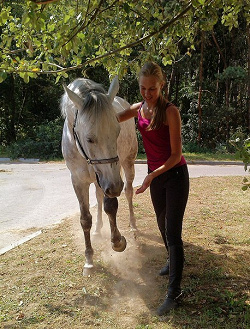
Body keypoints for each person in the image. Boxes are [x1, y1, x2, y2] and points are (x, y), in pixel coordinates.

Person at [117, 62, 189, 315]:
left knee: (172, 231)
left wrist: (150, 177)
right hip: (156, 178)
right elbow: (111, 117)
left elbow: (175, 155)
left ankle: (175, 292)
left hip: (175, 174)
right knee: (161, 224)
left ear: (162, 86)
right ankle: (172, 262)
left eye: (152, 89)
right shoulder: (138, 109)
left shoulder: (171, 112)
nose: (147, 94)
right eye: (143, 88)